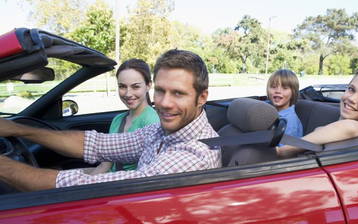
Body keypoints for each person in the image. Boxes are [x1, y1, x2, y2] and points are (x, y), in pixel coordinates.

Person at [0, 49, 221, 191]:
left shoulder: (193, 155)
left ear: (202, 97)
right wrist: (18, 130)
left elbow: (94, 187)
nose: (164, 103)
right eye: (161, 91)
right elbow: (97, 145)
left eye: (178, 93)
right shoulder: (163, 131)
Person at [276, 68, 358, 158]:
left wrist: (284, 150)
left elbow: (350, 127)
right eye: (351, 89)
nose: (351, 98)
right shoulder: (334, 127)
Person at [89, 59, 159, 175]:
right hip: (109, 177)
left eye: (135, 87)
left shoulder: (152, 120)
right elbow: (106, 164)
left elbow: (147, 171)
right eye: (122, 86)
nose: (128, 94)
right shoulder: (117, 119)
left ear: (148, 86)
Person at [267, 69, 303, 138]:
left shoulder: (289, 122)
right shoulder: (269, 112)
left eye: (285, 88)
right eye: (274, 87)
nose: (278, 91)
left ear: (293, 92)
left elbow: (284, 148)